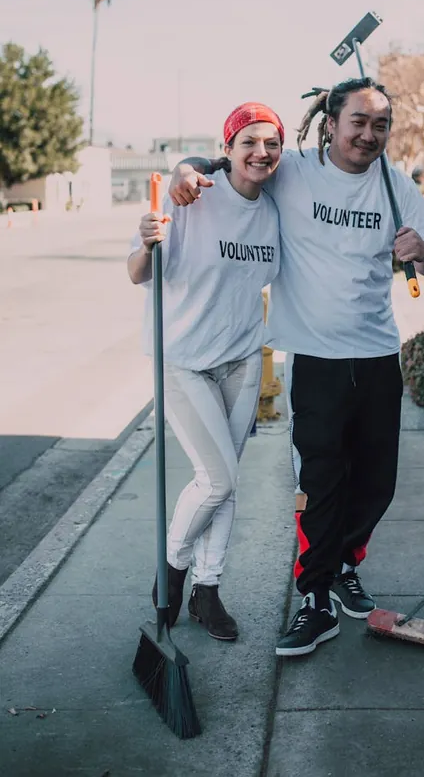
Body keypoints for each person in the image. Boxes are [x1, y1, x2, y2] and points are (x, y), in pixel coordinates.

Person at [168, 77, 424, 657]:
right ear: (331, 124)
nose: (368, 134)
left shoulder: (396, 186)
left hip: (375, 354)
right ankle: (314, 598)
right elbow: (229, 158)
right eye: (358, 123)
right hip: (315, 358)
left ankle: (343, 563)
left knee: (377, 483)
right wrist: (183, 167)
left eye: (380, 126)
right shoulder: (292, 169)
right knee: (320, 482)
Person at [127, 103, 283, 641]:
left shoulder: (273, 209)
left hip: (241, 359)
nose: (262, 153)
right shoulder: (190, 196)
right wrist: (148, 238)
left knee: (227, 482)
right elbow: (135, 272)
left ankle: (207, 590)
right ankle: (171, 573)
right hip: (183, 360)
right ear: (229, 149)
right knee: (217, 479)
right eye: (250, 143)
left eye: (272, 144)